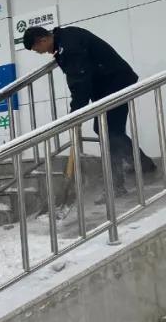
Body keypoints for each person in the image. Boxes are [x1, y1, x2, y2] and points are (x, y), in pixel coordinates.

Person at [23, 25, 156, 196]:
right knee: (107, 129)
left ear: (42, 40)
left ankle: (119, 183)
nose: (40, 53)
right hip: (107, 84)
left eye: (37, 49)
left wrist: (75, 115)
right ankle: (141, 165)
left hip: (116, 82)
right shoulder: (64, 40)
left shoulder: (69, 48)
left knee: (109, 130)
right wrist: (77, 113)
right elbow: (80, 79)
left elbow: (79, 83)